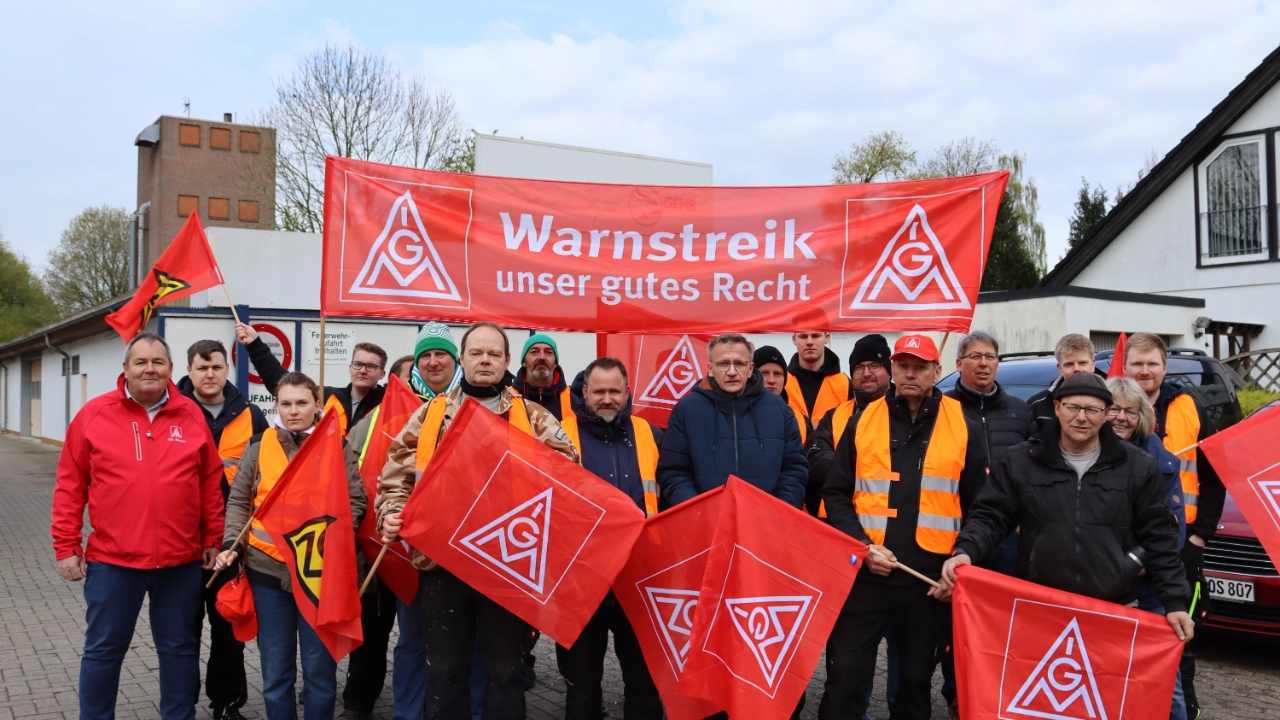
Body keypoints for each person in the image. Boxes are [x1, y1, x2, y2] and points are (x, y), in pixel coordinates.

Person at [377, 322, 578, 720]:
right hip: (442, 563)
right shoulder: (428, 417)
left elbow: (571, 481)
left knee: (505, 673)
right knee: (446, 672)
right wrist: (390, 515)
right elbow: (395, 478)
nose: (484, 360)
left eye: (493, 354)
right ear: (462, 359)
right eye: (476, 353)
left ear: (506, 361)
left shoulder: (533, 418)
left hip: (508, 566)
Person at [940, 371, 1195, 640]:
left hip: (1113, 609)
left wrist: (1175, 602)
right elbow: (991, 515)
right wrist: (966, 550)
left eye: (1092, 409)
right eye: (1073, 407)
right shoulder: (1020, 461)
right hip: (1040, 607)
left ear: (1106, 412)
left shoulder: (1139, 467)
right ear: (1057, 408)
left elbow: (1160, 538)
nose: (1082, 417)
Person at [52, 332, 225, 720]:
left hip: (180, 562)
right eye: (141, 362)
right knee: (103, 649)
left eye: (158, 362)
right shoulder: (95, 413)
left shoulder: (190, 414)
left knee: (179, 649)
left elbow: (209, 482)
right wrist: (66, 546)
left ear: (170, 370)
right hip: (114, 562)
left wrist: (212, 537)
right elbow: (69, 484)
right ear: (125, 369)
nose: (150, 368)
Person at [819, 334, 987, 720]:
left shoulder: (963, 423)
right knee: (844, 679)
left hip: (928, 585)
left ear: (937, 371)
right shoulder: (863, 420)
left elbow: (983, 505)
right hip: (866, 577)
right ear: (893, 369)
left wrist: (963, 559)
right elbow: (837, 494)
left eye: (920, 367)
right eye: (903, 366)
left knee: (913, 685)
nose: (910, 374)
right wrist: (862, 546)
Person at [213, 372, 367, 720]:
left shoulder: (337, 446)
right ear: (277, 405)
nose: (293, 411)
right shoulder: (258, 445)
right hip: (268, 575)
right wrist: (231, 544)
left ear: (317, 405)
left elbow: (355, 502)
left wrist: (335, 537)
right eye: (285, 403)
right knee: (276, 674)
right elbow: (239, 502)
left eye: (301, 403)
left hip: (317, 577)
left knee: (319, 673)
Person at [554, 357, 664, 720]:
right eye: (598, 391)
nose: (607, 399)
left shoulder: (651, 434)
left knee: (645, 686)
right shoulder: (557, 435)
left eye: (614, 391)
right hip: (582, 584)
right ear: (584, 392)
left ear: (627, 391)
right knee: (581, 688)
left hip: (640, 580)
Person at [1124, 332, 1224, 718]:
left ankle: (1185, 707)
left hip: (1182, 543)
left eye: (1152, 363)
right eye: (1137, 363)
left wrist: (1201, 535)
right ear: (1125, 366)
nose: (1145, 371)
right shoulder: (1112, 406)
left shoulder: (1189, 406)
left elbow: (1216, 473)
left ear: (1164, 367)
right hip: (1126, 551)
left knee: (1175, 635)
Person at [178, 339, 269, 720]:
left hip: (232, 543)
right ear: (189, 370)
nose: (210, 374)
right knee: (182, 635)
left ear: (226, 369)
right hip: (182, 544)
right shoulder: (172, 413)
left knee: (229, 629)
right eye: (202, 367)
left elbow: (267, 472)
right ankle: (180, 705)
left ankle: (227, 704)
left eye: (216, 366)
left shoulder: (250, 414)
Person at [1106, 376, 1188, 720]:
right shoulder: (1081, 455)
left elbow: (1171, 533)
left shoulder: (1163, 464)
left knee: (1166, 686)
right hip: (1098, 589)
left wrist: (1132, 561)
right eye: (1112, 408)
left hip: (1149, 591)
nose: (1120, 417)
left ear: (1143, 416)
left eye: (1129, 410)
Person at [658, 333, 808, 508]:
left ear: (751, 368)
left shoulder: (779, 411)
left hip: (766, 526)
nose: (731, 372)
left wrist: (778, 514)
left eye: (739, 363)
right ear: (710, 369)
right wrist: (698, 512)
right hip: (707, 526)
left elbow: (794, 470)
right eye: (723, 364)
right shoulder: (686, 410)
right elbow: (673, 472)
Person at [944, 330, 1029, 575]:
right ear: (959, 364)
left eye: (990, 357)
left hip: (1010, 533)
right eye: (976, 356)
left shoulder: (1021, 411)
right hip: (958, 532)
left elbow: (1036, 469)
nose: (984, 363)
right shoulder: (943, 410)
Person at [236, 322, 387, 435]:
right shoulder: (326, 396)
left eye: (371, 366)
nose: (362, 370)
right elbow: (280, 380)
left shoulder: (387, 404)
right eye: (358, 364)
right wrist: (255, 345)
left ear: (382, 374)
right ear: (350, 367)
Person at [806, 334, 893, 519]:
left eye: (874, 366)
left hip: (888, 522)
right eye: (859, 368)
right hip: (836, 521)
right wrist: (868, 466)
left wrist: (842, 465)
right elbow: (813, 458)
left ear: (889, 371)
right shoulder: (836, 415)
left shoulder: (905, 414)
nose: (866, 373)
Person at [1027, 333, 1096, 432]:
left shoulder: (1112, 400)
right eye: (1069, 364)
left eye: (1082, 363)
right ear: (1060, 368)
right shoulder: (1037, 405)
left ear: (1093, 364)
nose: (1077, 369)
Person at [785, 329, 851, 423]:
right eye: (803, 337)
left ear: (827, 337)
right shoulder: (781, 383)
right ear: (794, 339)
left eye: (816, 336)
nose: (809, 342)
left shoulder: (846, 384)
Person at [511, 331, 572, 420]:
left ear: (555, 363)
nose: (542, 357)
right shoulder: (507, 398)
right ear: (524, 362)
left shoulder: (574, 399)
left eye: (548, 352)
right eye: (534, 352)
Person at [410, 322, 462, 400]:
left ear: (454, 359)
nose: (433, 363)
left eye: (440, 354)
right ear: (417, 363)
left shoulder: (476, 395)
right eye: (426, 356)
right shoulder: (400, 398)